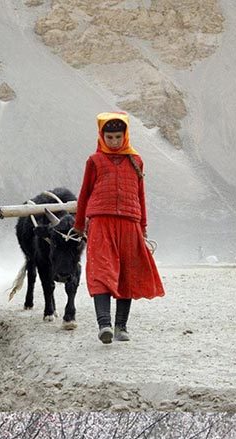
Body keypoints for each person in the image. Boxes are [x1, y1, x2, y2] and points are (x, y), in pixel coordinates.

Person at [74, 111, 165, 344]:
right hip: (100, 221)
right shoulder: (94, 161)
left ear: (125, 136)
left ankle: (121, 326)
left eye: (117, 137)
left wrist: (143, 225)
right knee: (101, 272)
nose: (114, 142)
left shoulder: (136, 160)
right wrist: (79, 224)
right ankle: (104, 325)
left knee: (127, 273)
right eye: (109, 137)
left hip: (129, 221)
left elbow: (140, 194)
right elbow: (84, 194)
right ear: (102, 137)